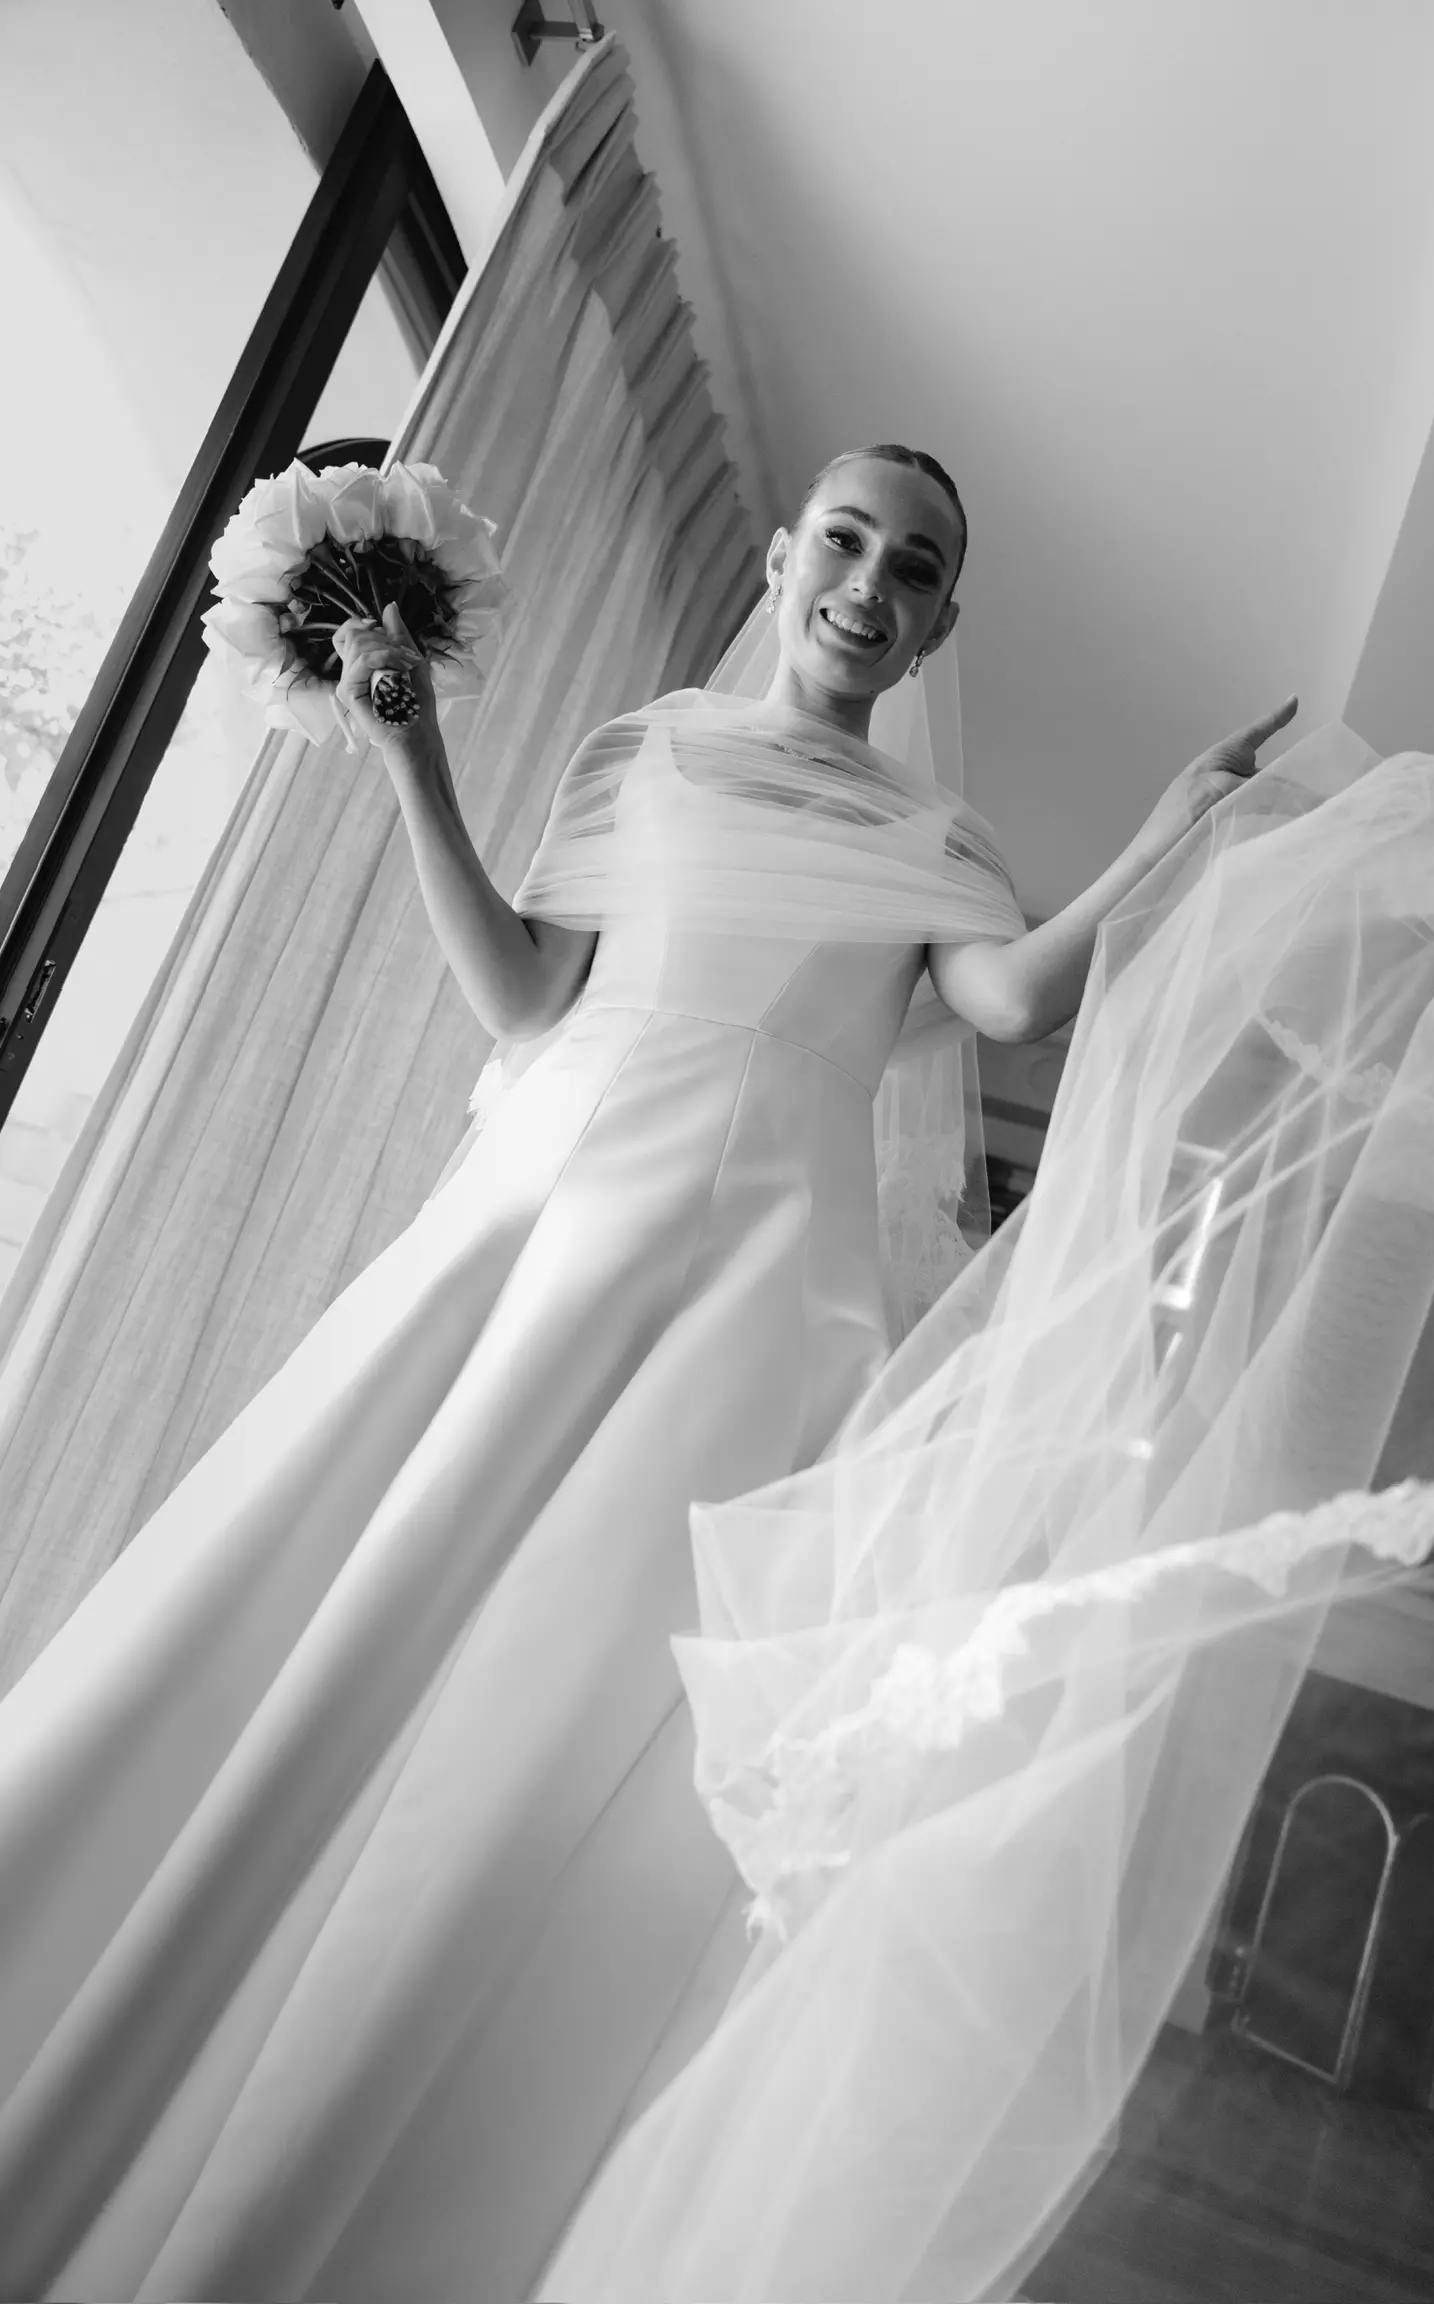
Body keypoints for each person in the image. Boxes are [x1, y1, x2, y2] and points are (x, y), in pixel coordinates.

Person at [0, 445, 1297, 2303]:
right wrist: (412, 763)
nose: (870, 579)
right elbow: (531, 1002)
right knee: (360, 1598)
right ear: (781, 558)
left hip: (766, 1293)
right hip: (543, 1228)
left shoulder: (943, 850)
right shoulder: (650, 751)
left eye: (914, 566)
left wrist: (1170, 826)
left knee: (557, 1732)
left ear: (944, 619)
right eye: (844, 540)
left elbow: (1008, 1006)